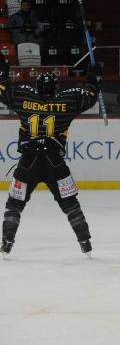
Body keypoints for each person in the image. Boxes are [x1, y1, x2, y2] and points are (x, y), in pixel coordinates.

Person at [0, 56, 98, 257]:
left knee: (14, 204)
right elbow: (90, 95)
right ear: (56, 86)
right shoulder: (68, 99)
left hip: (28, 162)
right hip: (55, 163)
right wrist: (93, 78)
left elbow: (2, 89)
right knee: (70, 204)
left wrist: (3, 71)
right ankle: (84, 241)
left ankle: (7, 241)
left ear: (37, 86)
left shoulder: (22, 96)